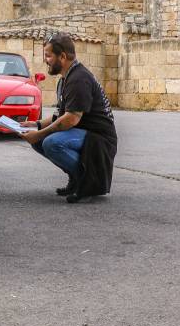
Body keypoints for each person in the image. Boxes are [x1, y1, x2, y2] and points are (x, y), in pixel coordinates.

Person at [19, 33, 118, 203]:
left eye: (49, 56)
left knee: (51, 142)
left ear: (62, 56)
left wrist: (39, 133)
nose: (46, 60)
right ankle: (75, 178)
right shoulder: (66, 79)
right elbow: (60, 114)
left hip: (99, 140)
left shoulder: (79, 79)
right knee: (39, 140)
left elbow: (71, 119)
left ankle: (88, 181)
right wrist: (35, 124)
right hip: (83, 133)